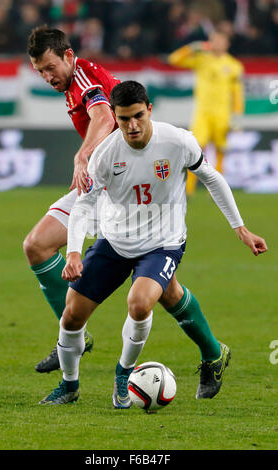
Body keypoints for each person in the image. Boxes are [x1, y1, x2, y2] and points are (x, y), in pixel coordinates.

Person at [39, 81, 267, 407]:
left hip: (163, 242)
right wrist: (74, 252)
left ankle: (123, 372)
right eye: (123, 119)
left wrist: (241, 229)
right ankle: (70, 385)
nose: (132, 126)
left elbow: (212, 178)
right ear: (114, 118)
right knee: (72, 315)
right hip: (115, 240)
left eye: (137, 116)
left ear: (149, 109)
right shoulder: (105, 154)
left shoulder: (177, 141)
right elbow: (84, 205)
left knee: (140, 301)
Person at [24, 25, 120, 373]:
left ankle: (212, 351)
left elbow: (104, 115)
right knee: (36, 245)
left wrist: (82, 157)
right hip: (99, 187)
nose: (47, 77)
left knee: (164, 290)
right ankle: (72, 336)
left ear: (68, 55)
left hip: (126, 192)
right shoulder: (72, 82)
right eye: (40, 72)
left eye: (51, 68)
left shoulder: (82, 77)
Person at [168, 30, 244, 197]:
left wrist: (237, 118)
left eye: (220, 40)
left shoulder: (234, 66)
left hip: (222, 114)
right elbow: (174, 59)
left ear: (227, 43)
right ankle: (188, 190)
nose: (216, 43)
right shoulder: (202, 59)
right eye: (213, 40)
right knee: (195, 149)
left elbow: (237, 94)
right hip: (202, 113)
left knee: (220, 150)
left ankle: (218, 191)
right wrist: (193, 47)